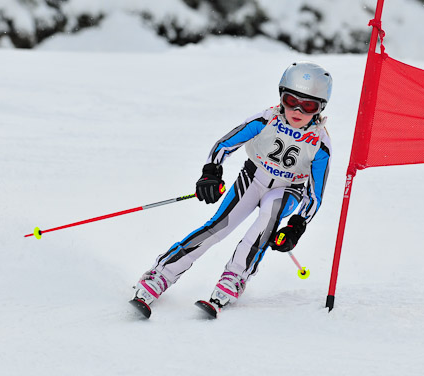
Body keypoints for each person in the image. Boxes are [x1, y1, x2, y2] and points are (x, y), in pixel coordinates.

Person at [132, 61, 333, 315]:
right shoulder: (266, 119)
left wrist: (297, 225)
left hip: (287, 190)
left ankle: (233, 278)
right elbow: (225, 144)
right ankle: (160, 275)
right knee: (217, 227)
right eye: (290, 99)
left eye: (308, 105)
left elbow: (315, 195)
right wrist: (211, 173)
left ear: (320, 108)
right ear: (280, 95)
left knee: (266, 222)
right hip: (253, 178)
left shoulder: (320, 144)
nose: (296, 109)